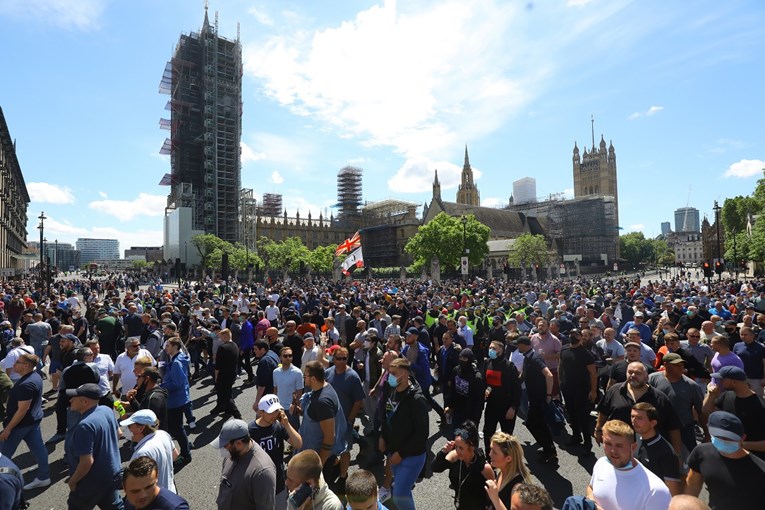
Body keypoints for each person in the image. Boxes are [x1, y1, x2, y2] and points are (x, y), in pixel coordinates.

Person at [596, 361, 683, 457]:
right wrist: (598, 429)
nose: (633, 375)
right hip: (618, 448)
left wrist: (677, 454)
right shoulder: (614, 391)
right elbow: (603, 411)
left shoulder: (660, 398)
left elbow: (673, 427)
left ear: (646, 377)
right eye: (630, 372)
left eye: (638, 373)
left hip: (650, 452)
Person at [686, 410, 765, 508]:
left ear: (743, 438)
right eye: (719, 437)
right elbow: (692, 485)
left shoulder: (761, 469)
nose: (723, 441)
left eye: (729, 438)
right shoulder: (701, 453)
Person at [587, 419, 672, 510]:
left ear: (633, 447)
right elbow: (590, 488)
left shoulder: (656, 491)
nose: (613, 451)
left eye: (619, 446)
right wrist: (591, 503)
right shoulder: (601, 463)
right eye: (608, 444)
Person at [379, 357, 429, 510]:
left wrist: (401, 453)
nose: (390, 377)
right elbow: (386, 415)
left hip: (411, 456)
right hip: (394, 451)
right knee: (403, 490)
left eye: (394, 373)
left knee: (399, 496)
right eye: (389, 372)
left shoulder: (416, 399)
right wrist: (382, 435)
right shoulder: (391, 390)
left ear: (405, 374)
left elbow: (422, 434)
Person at [64, 383, 124, 510]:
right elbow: (119, 433)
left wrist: (73, 481)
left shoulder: (84, 426)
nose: (70, 400)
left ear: (85, 401)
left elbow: (86, 461)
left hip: (90, 483)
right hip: (110, 476)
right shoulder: (106, 410)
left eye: (74, 397)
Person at [0, 352, 50, 490]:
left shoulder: (25, 384)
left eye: (17, 363)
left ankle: (5, 487)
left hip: (19, 425)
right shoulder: (35, 376)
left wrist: (8, 429)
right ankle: (44, 476)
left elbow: (22, 410)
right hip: (32, 421)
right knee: (39, 449)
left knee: (2, 456)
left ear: (26, 366)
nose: (14, 364)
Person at [249, 394, 303, 507]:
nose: (274, 415)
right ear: (261, 412)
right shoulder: (251, 430)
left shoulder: (278, 426)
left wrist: (287, 425)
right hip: (260, 483)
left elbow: (298, 444)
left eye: (276, 411)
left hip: (279, 482)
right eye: (270, 412)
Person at [213, 418, 277, 510]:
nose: (223, 449)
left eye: (225, 445)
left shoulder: (262, 471)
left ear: (238, 443)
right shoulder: (232, 454)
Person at [649, 353, 705, 456]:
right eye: (676, 365)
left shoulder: (692, 386)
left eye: (682, 365)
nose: (681, 368)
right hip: (660, 428)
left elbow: (701, 411)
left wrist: (707, 433)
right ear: (665, 365)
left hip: (684, 429)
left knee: (688, 458)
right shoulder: (652, 379)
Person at [702, 365, 765, 457]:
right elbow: (706, 412)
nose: (719, 382)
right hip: (728, 456)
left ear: (734, 382)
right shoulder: (726, 395)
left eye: (722, 380)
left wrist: (740, 445)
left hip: (752, 460)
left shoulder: (761, 407)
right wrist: (710, 396)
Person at [325, 345, 365, 490]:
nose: (342, 361)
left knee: (345, 450)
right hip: (329, 420)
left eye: (345, 358)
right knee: (329, 448)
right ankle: (334, 469)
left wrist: (349, 420)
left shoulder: (353, 377)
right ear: (333, 359)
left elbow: (358, 401)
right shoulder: (327, 373)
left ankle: (343, 476)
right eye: (339, 358)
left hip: (345, 421)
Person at [432, 419, 495, 509]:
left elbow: (492, 491)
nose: (457, 450)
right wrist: (444, 451)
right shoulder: (455, 457)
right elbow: (435, 468)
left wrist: (490, 506)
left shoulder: (484, 468)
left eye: (461, 448)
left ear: (472, 446)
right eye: (456, 446)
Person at [513, 336, 556, 463]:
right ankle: (549, 447)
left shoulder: (535, 358)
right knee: (539, 423)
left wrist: (548, 395)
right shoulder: (527, 357)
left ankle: (548, 449)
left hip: (539, 398)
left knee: (532, 423)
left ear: (525, 345)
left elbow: (549, 375)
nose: (517, 347)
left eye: (518, 345)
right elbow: (524, 374)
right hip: (533, 397)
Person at [298, 360, 348, 468]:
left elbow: (329, 437)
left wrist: (319, 466)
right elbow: (316, 416)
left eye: (305, 376)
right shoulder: (323, 388)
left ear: (313, 378)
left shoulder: (322, 402)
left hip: (317, 459)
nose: (303, 379)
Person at [631, 403, 683, 496]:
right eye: (632, 416)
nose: (634, 421)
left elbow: (674, 492)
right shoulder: (638, 436)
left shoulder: (666, 453)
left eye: (639, 418)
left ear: (653, 423)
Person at [120, 409, 178, 494]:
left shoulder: (141, 453)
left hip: (155, 499)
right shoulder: (163, 434)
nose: (126, 430)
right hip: (171, 492)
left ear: (141, 428)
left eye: (129, 426)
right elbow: (175, 455)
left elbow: (134, 483)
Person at [558, 329, 597, 454]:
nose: (573, 336)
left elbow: (593, 373)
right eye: (571, 334)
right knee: (571, 413)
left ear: (581, 338)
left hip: (581, 389)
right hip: (567, 387)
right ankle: (576, 436)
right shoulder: (564, 349)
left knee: (583, 416)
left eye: (576, 335)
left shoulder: (586, 354)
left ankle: (587, 443)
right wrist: (559, 380)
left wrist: (593, 390)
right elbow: (560, 365)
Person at [482, 340, 522, 451]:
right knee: (488, 432)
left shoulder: (509, 367)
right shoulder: (487, 363)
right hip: (492, 405)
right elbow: (485, 382)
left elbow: (516, 389)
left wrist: (513, 407)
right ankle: (489, 457)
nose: (491, 350)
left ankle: (506, 459)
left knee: (506, 436)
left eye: (494, 348)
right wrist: (486, 390)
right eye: (490, 348)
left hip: (507, 407)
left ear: (501, 350)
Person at [160, 338, 192, 467]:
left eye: (168, 345)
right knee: (176, 428)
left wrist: (162, 386)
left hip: (176, 401)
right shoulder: (177, 359)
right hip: (178, 399)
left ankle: (186, 454)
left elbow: (176, 383)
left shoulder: (177, 363)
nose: (166, 348)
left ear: (174, 346)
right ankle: (185, 446)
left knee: (177, 428)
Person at [484, 432, 531, 510]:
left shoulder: (518, 487)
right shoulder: (503, 472)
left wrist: (495, 498)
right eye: (491, 450)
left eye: (494, 452)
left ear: (508, 458)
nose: (490, 454)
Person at [122, 456, 189, 510]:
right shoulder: (130, 500)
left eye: (149, 487)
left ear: (156, 479)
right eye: (135, 491)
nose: (143, 495)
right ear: (125, 489)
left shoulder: (175, 507)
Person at [445, 348, 485, 433]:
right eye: (460, 357)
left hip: (470, 412)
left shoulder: (476, 377)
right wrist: (449, 405)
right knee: (456, 433)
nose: (462, 360)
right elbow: (452, 389)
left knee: (468, 437)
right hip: (457, 408)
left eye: (465, 358)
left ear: (469, 360)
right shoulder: (456, 370)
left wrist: (476, 417)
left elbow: (479, 399)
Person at [211, 328, 241, 419]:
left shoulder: (222, 348)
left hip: (223, 375)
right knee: (225, 392)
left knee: (226, 395)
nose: (220, 339)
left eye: (220, 337)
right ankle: (225, 409)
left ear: (225, 336)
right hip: (232, 373)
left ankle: (237, 414)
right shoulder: (234, 345)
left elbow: (218, 365)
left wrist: (216, 377)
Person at [273, 346, 304, 431]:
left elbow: (299, 391)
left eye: (290, 356)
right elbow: (275, 390)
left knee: (295, 431)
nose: (288, 358)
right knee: (279, 431)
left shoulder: (297, 372)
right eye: (285, 356)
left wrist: (296, 406)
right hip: (279, 408)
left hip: (291, 408)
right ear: (280, 357)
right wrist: (275, 406)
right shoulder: (275, 372)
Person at [732, 326, 765, 399]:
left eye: (745, 335)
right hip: (740, 378)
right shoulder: (737, 346)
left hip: (756, 379)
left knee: (757, 399)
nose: (743, 336)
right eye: (741, 334)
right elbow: (734, 361)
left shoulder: (761, 347)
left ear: (752, 335)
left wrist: (764, 378)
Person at [255, 339, 280, 404]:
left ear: (263, 349)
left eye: (256, 349)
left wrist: (257, 402)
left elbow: (262, 385)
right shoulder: (272, 353)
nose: (254, 351)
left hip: (268, 395)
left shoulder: (265, 361)